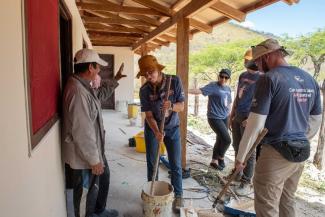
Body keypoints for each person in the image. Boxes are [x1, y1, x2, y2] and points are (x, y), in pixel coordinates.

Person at [235, 39, 322, 217]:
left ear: (267, 57)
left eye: (258, 61)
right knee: (287, 199)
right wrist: (298, 136)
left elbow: (255, 124)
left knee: (267, 205)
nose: (257, 67)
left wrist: (241, 157)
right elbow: (315, 119)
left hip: (276, 152)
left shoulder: (269, 79)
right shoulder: (309, 79)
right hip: (300, 152)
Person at [62, 48, 126, 217]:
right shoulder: (77, 92)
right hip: (84, 155)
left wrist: (116, 79)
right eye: (97, 67)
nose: (99, 70)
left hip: (95, 147)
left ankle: (99, 210)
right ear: (90, 67)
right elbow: (82, 131)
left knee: (103, 179)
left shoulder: (84, 86)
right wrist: (94, 160)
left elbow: (100, 95)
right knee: (84, 193)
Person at [137, 55, 185, 213]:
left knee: (176, 164)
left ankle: (178, 196)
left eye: (151, 72)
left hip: (173, 128)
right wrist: (157, 131)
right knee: (153, 163)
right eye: (145, 74)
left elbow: (182, 106)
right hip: (153, 129)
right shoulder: (144, 90)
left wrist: (171, 106)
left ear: (158, 69)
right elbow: (149, 116)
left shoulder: (174, 81)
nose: (149, 76)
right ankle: (152, 194)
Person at [228, 48, 261, 196]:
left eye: (248, 60)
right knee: (237, 145)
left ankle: (246, 181)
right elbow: (238, 96)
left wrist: (251, 119)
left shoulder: (263, 77)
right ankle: (237, 173)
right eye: (245, 59)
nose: (246, 62)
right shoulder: (243, 75)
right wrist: (232, 113)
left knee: (249, 151)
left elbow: (263, 101)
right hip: (238, 115)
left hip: (250, 117)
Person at [189, 69, 232, 170]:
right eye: (222, 76)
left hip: (225, 117)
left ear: (228, 79)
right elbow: (199, 91)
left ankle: (214, 160)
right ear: (219, 76)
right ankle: (221, 157)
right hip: (214, 117)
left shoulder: (228, 88)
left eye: (226, 77)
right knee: (227, 140)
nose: (223, 79)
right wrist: (184, 89)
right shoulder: (213, 86)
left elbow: (229, 102)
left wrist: (230, 116)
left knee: (220, 138)